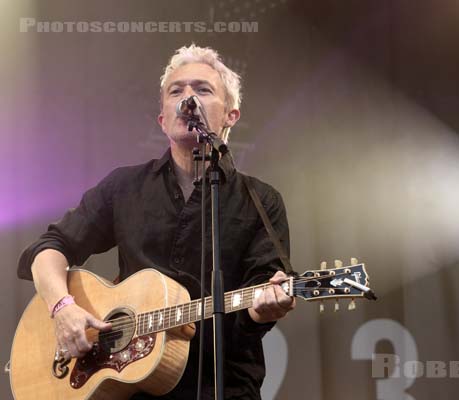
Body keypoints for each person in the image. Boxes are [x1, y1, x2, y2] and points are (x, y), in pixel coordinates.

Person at [17, 44, 295, 399]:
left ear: (231, 115)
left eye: (203, 89)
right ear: (163, 119)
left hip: (223, 386)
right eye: (176, 91)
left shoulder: (261, 201)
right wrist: (62, 307)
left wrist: (264, 310)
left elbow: (256, 312)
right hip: (131, 391)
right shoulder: (124, 186)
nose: (188, 98)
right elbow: (49, 248)